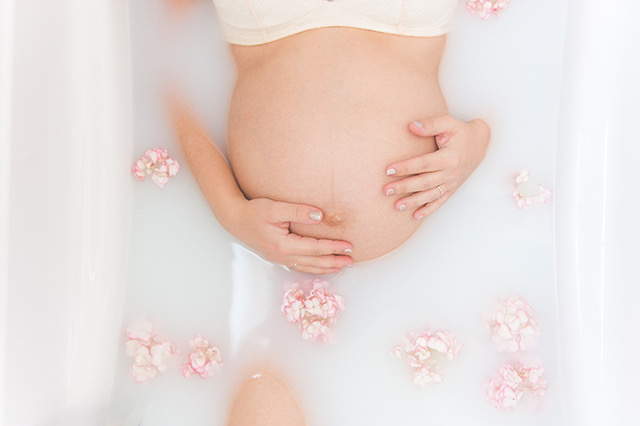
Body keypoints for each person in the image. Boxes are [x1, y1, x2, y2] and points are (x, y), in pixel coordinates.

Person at [167, 0, 490, 423]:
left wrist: (477, 142)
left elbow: (546, 78)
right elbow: (158, 65)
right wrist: (227, 207)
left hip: (428, 296)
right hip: (256, 286)